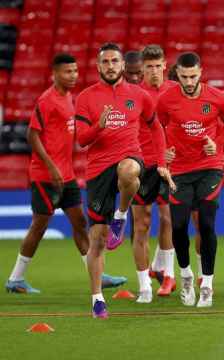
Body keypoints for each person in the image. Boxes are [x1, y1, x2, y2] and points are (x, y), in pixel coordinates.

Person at [5, 53, 126, 294]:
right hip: (45, 176)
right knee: (39, 226)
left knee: (80, 223)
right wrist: (50, 166)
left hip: (67, 175)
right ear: (54, 74)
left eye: (75, 71)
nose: (73, 76)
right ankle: (16, 279)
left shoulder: (71, 97)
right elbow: (32, 135)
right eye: (67, 72)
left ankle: (98, 275)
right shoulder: (47, 100)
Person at [75, 43, 174, 318]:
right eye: (105, 61)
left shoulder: (139, 96)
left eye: (114, 61)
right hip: (97, 170)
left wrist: (163, 164)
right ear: (98, 67)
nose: (110, 65)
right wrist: (99, 126)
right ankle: (97, 299)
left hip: (129, 157)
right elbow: (81, 140)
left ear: (123, 65)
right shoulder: (86, 97)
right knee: (97, 239)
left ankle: (121, 214)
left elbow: (156, 128)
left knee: (130, 171)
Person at [157, 52, 224, 307]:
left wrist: (219, 143)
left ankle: (208, 286)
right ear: (176, 74)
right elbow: (156, 128)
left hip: (209, 168)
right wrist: (164, 150)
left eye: (193, 76)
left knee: (206, 225)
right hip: (179, 170)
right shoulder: (166, 100)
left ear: (201, 72)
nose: (189, 81)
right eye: (184, 76)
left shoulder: (218, 98)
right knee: (178, 227)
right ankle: (186, 276)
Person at [129, 44, 178, 303]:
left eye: (158, 66)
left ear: (165, 66)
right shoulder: (135, 95)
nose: (154, 71)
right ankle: (145, 281)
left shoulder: (175, 90)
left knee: (169, 217)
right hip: (142, 164)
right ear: (142, 69)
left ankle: (168, 274)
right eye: (149, 67)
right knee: (143, 224)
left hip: (169, 164)